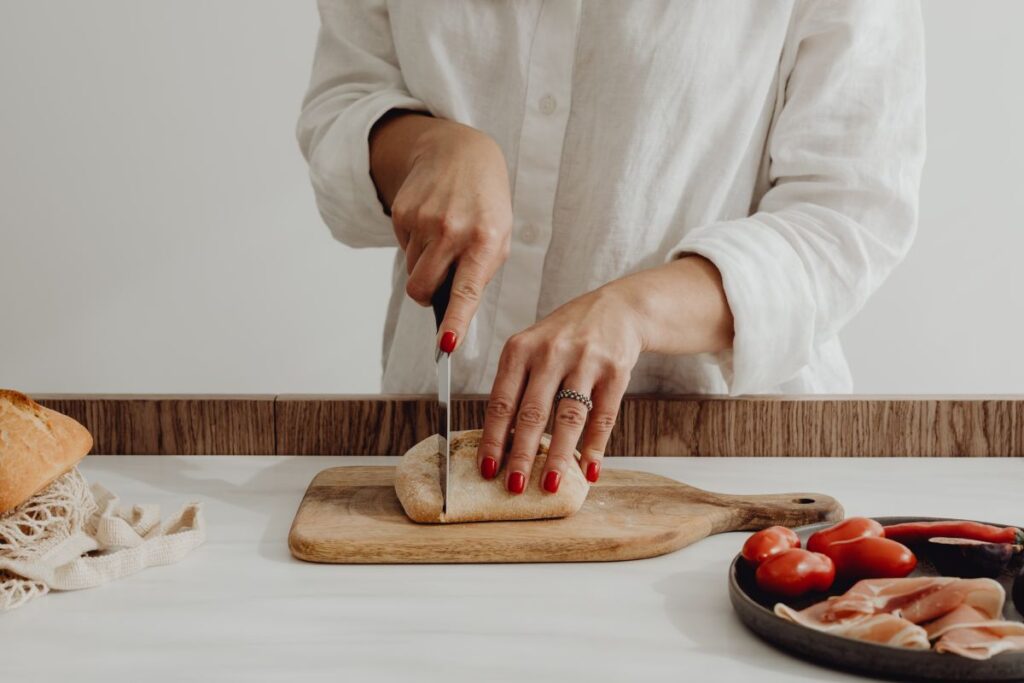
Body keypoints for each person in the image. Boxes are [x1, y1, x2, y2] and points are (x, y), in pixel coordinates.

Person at [297, 2, 925, 496]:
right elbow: (343, 101)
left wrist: (636, 310)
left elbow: (849, 214)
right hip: (434, 431)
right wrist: (426, 146)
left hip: (720, 456)